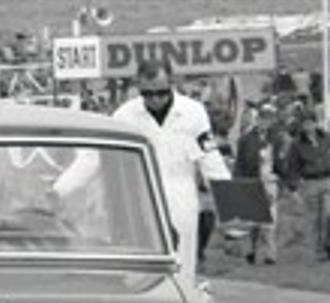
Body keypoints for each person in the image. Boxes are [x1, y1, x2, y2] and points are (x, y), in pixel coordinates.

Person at [112, 58, 231, 285]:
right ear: (139, 88)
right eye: (148, 94)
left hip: (181, 196)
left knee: (182, 270)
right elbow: (92, 160)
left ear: (172, 84)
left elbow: (210, 159)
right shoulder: (124, 116)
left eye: (161, 92)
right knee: (140, 275)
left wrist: (232, 205)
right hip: (139, 201)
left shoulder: (193, 112)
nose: (155, 99)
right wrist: (59, 189)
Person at [233, 103, 281, 264]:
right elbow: (240, 162)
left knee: (270, 219)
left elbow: (282, 161)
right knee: (252, 220)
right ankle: (251, 251)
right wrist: (238, 183)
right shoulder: (246, 138)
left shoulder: (276, 137)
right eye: (263, 118)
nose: (265, 122)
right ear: (258, 118)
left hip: (270, 181)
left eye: (269, 119)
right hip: (251, 180)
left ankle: (270, 254)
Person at [285, 112, 330, 260]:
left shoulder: (326, 138)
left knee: (328, 215)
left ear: (316, 123)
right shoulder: (296, 144)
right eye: (305, 123)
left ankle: (327, 245)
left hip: (327, 179)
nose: (308, 126)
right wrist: (293, 188)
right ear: (302, 126)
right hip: (310, 183)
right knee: (316, 219)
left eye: (311, 122)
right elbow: (292, 167)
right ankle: (320, 251)